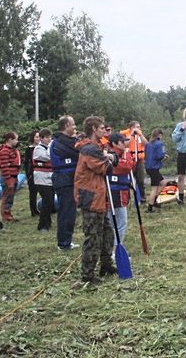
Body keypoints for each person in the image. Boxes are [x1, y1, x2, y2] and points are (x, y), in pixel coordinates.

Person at [74, 115, 115, 284]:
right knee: (93, 237)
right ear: (93, 129)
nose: (103, 130)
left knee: (107, 232)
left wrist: (108, 156)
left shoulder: (95, 147)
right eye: (101, 127)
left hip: (98, 196)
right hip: (90, 197)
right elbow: (106, 168)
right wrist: (111, 159)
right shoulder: (89, 149)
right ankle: (87, 276)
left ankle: (106, 265)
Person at [50, 115, 80, 251]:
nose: (75, 127)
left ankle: (66, 241)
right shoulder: (61, 142)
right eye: (73, 125)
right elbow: (77, 152)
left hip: (69, 180)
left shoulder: (66, 141)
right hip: (64, 180)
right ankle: (63, 243)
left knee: (70, 211)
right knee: (66, 212)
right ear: (67, 125)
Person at [106, 133, 134, 252]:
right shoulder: (112, 155)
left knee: (114, 222)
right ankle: (116, 249)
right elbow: (126, 166)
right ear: (114, 143)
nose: (125, 144)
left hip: (120, 191)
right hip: (115, 192)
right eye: (122, 142)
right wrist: (127, 153)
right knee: (120, 222)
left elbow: (131, 164)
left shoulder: (121, 153)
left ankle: (112, 247)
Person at [0, 132, 21, 222]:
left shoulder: (12, 149)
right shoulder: (4, 151)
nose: (17, 141)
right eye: (16, 139)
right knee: (7, 197)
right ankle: (5, 216)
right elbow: (4, 166)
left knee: (10, 197)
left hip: (14, 176)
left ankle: (8, 213)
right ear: (10, 140)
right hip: (8, 177)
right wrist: (8, 179)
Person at [120, 121, 148, 201]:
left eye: (139, 127)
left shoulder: (140, 135)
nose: (139, 128)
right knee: (127, 180)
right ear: (132, 128)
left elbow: (146, 143)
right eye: (137, 127)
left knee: (141, 180)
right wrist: (132, 135)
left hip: (139, 160)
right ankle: (127, 198)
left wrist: (140, 135)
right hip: (129, 160)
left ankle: (142, 197)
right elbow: (126, 144)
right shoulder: (126, 135)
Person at [33, 128, 54, 232]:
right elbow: (48, 157)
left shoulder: (47, 147)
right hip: (41, 179)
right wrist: (51, 147)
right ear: (41, 138)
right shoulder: (38, 149)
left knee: (50, 202)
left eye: (50, 137)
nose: (49, 139)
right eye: (47, 137)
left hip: (49, 179)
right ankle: (42, 226)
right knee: (47, 201)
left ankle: (48, 222)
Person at [145, 128, 168, 213]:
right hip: (154, 168)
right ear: (159, 135)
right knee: (154, 188)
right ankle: (150, 206)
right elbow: (159, 156)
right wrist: (164, 156)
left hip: (148, 167)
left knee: (163, 182)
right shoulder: (160, 144)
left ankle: (154, 200)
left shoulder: (148, 144)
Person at [23, 130, 40, 217]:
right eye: (36, 137)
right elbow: (26, 163)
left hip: (41, 173)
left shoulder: (42, 147)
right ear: (33, 138)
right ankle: (33, 210)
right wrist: (28, 174)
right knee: (33, 193)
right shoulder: (29, 149)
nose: (38, 138)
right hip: (32, 174)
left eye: (39, 136)